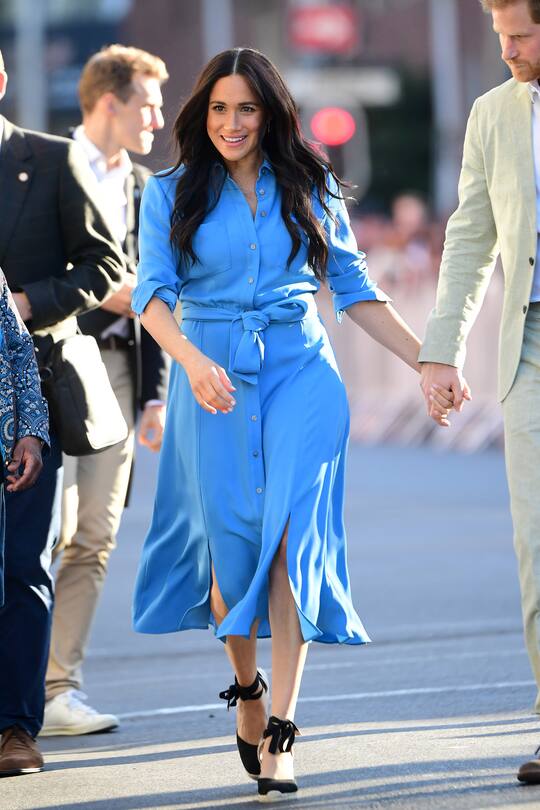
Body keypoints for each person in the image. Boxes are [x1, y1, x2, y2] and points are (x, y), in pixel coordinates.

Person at [131, 47, 451, 801]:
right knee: (229, 562)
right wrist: (188, 361)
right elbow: (152, 295)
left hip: (301, 373)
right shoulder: (168, 191)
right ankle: (247, 690)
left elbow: (355, 289)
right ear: (200, 113)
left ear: (270, 114)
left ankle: (283, 732)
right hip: (208, 374)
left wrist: (428, 362)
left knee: (288, 548)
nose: (231, 123)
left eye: (246, 108)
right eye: (218, 108)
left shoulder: (307, 185)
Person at [418, 0, 540, 785]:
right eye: (499, 39)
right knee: (537, 545)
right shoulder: (494, 114)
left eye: (520, 36)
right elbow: (470, 236)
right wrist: (441, 351)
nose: (508, 52)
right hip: (529, 346)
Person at [0, 49, 124, 777]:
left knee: (21, 565)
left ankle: (16, 727)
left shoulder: (48, 160)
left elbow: (103, 265)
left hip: (29, 393)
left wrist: (26, 304)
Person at [43, 44, 170, 737]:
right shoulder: (40, 166)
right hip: (52, 364)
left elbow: (158, 294)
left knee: (95, 534)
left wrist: (156, 396)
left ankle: (60, 687)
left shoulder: (148, 188)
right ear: (109, 101)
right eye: (148, 103)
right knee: (45, 532)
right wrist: (114, 294)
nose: (158, 117)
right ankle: (19, 689)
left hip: (121, 374)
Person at [0, 268, 49, 777]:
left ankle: (15, 729)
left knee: (22, 575)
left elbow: (19, 352)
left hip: (10, 453)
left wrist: (31, 434)